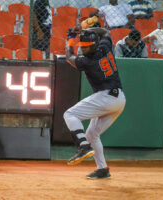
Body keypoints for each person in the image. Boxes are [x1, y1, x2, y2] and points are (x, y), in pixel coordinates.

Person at [64, 25, 126, 179]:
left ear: (93, 45)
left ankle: (83, 146)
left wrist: (71, 38)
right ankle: (102, 169)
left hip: (106, 97)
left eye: (86, 47)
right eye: (82, 46)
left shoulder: (87, 61)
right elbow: (105, 32)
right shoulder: (104, 46)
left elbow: (68, 56)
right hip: (119, 99)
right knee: (92, 134)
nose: (83, 49)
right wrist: (88, 30)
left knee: (70, 114)